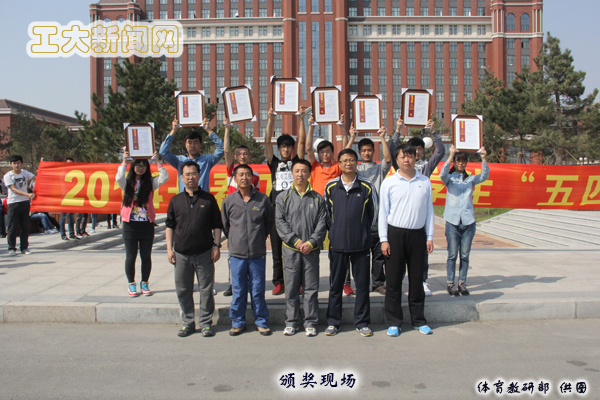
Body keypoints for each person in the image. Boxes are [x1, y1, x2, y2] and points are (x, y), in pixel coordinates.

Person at [379, 144, 435, 337]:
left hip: (418, 235)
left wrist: (429, 236)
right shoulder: (389, 182)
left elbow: (429, 211)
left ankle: (419, 320)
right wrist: (384, 239)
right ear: (397, 159)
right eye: (403, 156)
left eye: (410, 156)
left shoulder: (424, 181)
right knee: (393, 281)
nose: (406, 160)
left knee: (417, 280)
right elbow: (383, 212)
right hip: (395, 235)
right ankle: (394, 322)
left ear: (415, 158)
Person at [323, 149, 378, 337]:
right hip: (337, 244)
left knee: (362, 286)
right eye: (345, 160)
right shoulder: (331, 186)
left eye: (352, 160)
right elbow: (327, 215)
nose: (349, 163)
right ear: (339, 163)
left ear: (357, 163)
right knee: (335, 285)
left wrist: (363, 232)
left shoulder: (367, 186)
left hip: (361, 245)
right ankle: (333, 322)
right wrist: (335, 231)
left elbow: (374, 214)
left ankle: (362, 322)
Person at [166, 161, 223, 338]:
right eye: (187, 174)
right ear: (182, 177)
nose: (191, 177)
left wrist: (217, 245)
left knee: (206, 289)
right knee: (183, 289)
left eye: (194, 174)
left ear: (199, 176)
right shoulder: (175, 201)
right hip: (181, 254)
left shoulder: (209, 199)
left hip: (205, 253)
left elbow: (217, 224)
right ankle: (188, 323)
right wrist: (169, 249)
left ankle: (205, 323)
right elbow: (170, 226)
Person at [389, 117, 445, 297]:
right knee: (399, 259)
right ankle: (399, 283)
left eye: (420, 148)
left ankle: (422, 281)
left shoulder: (425, 168)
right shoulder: (399, 167)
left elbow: (441, 151)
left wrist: (434, 131)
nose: (417, 151)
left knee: (421, 256)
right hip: (400, 222)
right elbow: (392, 149)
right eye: (414, 148)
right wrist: (397, 130)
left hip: (419, 219)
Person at [275, 159, 327, 337]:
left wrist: (311, 242)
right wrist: (296, 241)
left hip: (311, 250)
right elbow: (280, 223)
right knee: (291, 288)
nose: (300, 174)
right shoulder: (283, 197)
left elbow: (322, 224)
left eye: (304, 171)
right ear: (292, 173)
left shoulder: (318, 198)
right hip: (291, 250)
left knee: (311, 287)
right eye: (297, 171)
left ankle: (310, 322)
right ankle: (292, 322)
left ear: (309, 173)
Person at [221, 164, 274, 336]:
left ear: (252, 178)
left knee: (258, 290)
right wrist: (235, 239)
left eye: (247, 174)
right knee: (238, 290)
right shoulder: (229, 201)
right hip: (237, 254)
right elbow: (225, 226)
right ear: (235, 178)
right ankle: (238, 322)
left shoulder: (263, 200)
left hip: (257, 253)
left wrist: (259, 237)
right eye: (241, 174)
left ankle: (261, 321)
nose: (244, 177)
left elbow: (268, 223)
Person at [306, 113, 353, 295]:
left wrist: (343, 127)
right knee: (311, 247)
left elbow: (346, 150)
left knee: (340, 248)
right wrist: (311, 126)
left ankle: (345, 283)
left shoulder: (336, 167)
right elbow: (308, 147)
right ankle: (307, 282)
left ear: (333, 153)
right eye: (322, 152)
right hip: (316, 211)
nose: (325, 154)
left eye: (328, 151)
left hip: (335, 211)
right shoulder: (314, 166)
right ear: (318, 154)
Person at [265, 105, 306, 296]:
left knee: (296, 248)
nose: (286, 149)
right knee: (276, 250)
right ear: (279, 148)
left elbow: (302, 141)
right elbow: (266, 141)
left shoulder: (297, 162)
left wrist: (301, 119)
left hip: (295, 209)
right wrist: (271, 120)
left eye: (288, 146)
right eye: (282, 146)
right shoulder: (273, 163)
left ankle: (298, 282)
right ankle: (279, 282)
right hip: (277, 210)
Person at [116, 151, 169, 297]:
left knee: (146, 256)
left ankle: (144, 283)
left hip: (146, 224)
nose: (141, 168)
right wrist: (124, 161)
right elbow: (119, 177)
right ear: (133, 166)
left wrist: (157, 161)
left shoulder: (150, 183)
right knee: (131, 256)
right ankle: (131, 284)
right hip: (130, 225)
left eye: (144, 165)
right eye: (138, 165)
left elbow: (164, 177)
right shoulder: (127, 182)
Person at [221, 117, 261, 297]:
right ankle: (233, 283)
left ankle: (251, 282)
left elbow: (258, 198)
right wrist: (227, 129)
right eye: (240, 154)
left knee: (252, 253)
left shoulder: (255, 175)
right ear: (236, 157)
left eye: (246, 153)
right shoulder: (232, 171)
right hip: (234, 217)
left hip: (250, 217)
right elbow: (226, 150)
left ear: (249, 156)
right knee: (233, 253)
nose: (243, 156)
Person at [441, 146, 489, 296]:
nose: (461, 163)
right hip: (452, 222)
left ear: (467, 162)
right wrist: (450, 155)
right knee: (452, 255)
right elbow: (442, 174)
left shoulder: (471, 179)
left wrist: (483, 157)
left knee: (465, 255)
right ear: (455, 162)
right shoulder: (450, 179)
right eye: (458, 161)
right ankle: (450, 283)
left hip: (468, 222)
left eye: (463, 161)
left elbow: (485, 176)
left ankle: (462, 283)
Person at [351, 124, 392, 296]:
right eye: (364, 150)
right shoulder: (355, 169)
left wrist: (382, 137)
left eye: (369, 150)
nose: (367, 153)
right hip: (360, 219)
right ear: (359, 152)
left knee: (378, 254)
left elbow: (388, 159)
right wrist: (351, 138)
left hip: (377, 218)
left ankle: (377, 283)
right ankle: (361, 284)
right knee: (360, 255)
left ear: (374, 152)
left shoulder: (379, 168)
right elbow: (344, 157)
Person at [159, 115, 224, 192]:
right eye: (189, 142)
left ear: (200, 144)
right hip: (184, 198)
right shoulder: (179, 160)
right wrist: (173, 131)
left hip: (202, 198)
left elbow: (222, 149)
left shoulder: (207, 160)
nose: (192, 146)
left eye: (195, 142)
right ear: (185, 145)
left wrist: (209, 130)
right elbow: (163, 152)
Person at [4, 155, 36, 255]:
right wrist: (27, 194)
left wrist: (40, 172)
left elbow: (36, 178)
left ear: (21, 163)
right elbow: (13, 189)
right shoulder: (8, 176)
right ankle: (11, 248)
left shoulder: (25, 173)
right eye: (14, 163)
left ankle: (24, 248)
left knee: (25, 226)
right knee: (12, 227)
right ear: (11, 164)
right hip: (13, 203)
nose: (16, 165)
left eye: (18, 163)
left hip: (25, 203)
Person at [60, 158, 77, 241]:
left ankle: (72, 233)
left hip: (72, 197)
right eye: (68, 163)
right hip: (64, 197)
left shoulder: (75, 173)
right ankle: (63, 234)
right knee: (63, 216)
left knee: (71, 216)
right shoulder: (63, 172)